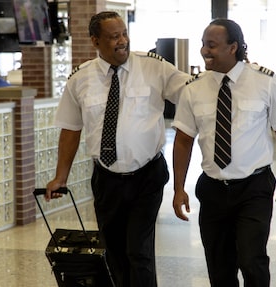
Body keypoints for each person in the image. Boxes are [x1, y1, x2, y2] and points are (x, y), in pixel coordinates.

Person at [44, 11, 190, 287]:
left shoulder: (154, 68)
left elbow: (193, 92)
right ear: (95, 41)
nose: (122, 41)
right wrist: (60, 176)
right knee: (112, 251)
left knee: (139, 250)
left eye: (124, 33)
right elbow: (71, 129)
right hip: (106, 178)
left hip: (147, 174)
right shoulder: (80, 79)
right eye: (114, 37)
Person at [172, 19, 276, 287]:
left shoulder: (265, 82)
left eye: (212, 45)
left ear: (233, 47)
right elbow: (183, 140)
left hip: (254, 187)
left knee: (252, 261)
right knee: (219, 267)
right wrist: (178, 188)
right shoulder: (193, 88)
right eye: (203, 44)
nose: (204, 50)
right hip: (212, 189)